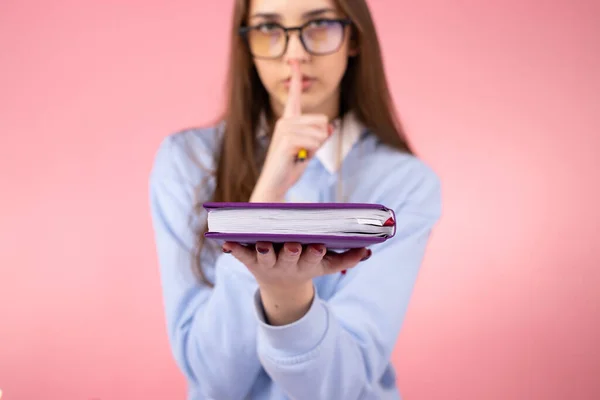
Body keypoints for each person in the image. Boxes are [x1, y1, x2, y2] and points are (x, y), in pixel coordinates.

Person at [148, 0, 442, 398]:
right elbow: (212, 375)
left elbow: (342, 387)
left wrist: (288, 297)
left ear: (353, 36)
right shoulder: (188, 162)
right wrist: (265, 198)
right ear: (246, 44)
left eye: (319, 24)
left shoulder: (404, 182)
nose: (295, 53)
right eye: (269, 29)